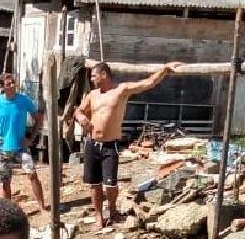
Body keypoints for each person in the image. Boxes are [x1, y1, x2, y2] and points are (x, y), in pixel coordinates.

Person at [74, 61, 184, 228]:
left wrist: (164, 69)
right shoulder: (92, 95)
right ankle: (98, 215)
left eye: (94, 76)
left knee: (110, 184)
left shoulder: (121, 90)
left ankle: (112, 210)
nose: (91, 79)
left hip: (111, 145)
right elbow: (78, 110)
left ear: (104, 75)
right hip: (92, 143)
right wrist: (81, 117)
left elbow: (147, 83)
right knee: (94, 184)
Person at [0, 72, 47, 212]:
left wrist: (31, 138)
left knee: (32, 174)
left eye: (13, 83)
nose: (12, 86)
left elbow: (38, 118)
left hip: (21, 147)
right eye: (8, 84)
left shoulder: (24, 100)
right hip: (3, 148)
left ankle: (42, 207)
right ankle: (9, 210)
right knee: (6, 181)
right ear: (2, 87)